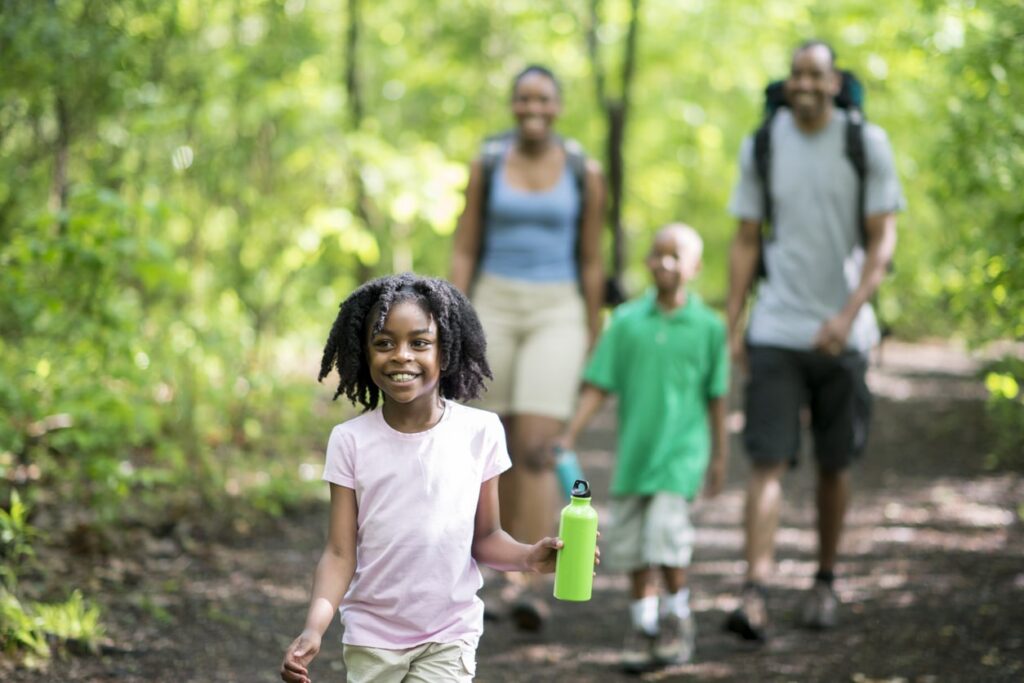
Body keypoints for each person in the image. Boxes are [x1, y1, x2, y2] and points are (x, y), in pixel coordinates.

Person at [280, 274, 588, 683]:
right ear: (364, 352)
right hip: (373, 637)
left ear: (446, 353)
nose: (401, 355)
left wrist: (528, 557)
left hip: (450, 633)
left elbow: (485, 537)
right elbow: (339, 552)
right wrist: (314, 627)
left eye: (419, 343)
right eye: (384, 342)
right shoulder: (350, 441)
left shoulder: (481, 432)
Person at [724, 40, 904, 641]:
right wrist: (733, 323)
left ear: (834, 83)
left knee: (834, 464)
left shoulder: (866, 142)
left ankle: (825, 581)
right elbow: (747, 238)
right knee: (766, 461)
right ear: (789, 81)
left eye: (816, 75)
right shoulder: (764, 142)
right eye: (796, 73)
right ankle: (754, 590)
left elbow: (882, 240)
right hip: (776, 326)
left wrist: (848, 314)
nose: (804, 83)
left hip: (846, 335)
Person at [450, 64, 606, 629]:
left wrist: (594, 332)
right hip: (492, 303)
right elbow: (465, 245)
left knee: (539, 445)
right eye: (522, 98)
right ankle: (496, 568)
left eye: (543, 98)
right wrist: (452, 315)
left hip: (557, 308)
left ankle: (531, 581)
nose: (532, 108)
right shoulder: (488, 163)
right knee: (493, 442)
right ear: (513, 105)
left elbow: (592, 259)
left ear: (558, 106)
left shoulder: (584, 171)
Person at [554, 224, 729, 672]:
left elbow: (717, 395)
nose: (665, 263)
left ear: (695, 267)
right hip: (635, 458)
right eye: (658, 254)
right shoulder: (627, 322)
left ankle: (677, 618)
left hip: (681, 457)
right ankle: (643, 626)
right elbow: (599, 384)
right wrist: (570, 433)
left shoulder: (709, 327)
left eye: (676, 256)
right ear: (647, 261)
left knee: (666, 541)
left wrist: (720, 455)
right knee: (632, 547)